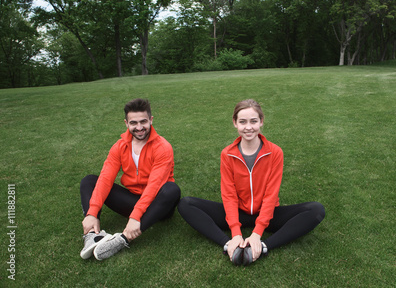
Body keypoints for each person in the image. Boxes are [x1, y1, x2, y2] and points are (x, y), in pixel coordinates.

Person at [178, 99, 325, 266]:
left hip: (268, 214)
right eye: (243, 122)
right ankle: (229, 245)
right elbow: (229, 195)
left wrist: (257, 233)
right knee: (186, 204)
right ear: (235, 123)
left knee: (316, 210)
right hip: (239, 212)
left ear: (261, 122)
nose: (248, 127)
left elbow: (271, 194)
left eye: (253, 121)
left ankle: (262, 247)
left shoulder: (275, 152)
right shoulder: (227, 154)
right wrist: (235, 232)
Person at [79, 98, 180, 260]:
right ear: (126, 123)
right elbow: (105, 178)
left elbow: (154, 186)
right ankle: (93, 235)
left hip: (158, 206)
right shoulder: (119, 146)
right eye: (134, 123)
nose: (139, 128)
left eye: (143, 122)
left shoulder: (163, 147)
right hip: (132, 201)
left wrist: (135, 218)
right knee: (89, 181)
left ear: (151, 120)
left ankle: (123, 238)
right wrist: (92, 212)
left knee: (172, 189)